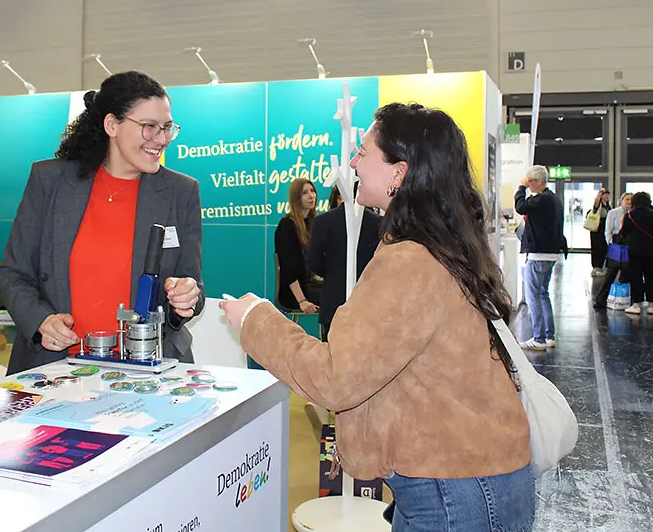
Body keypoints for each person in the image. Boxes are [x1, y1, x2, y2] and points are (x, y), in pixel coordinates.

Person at [222, 103, 534, 532]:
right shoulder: (440, 248)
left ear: (398, 172)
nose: (352, 161)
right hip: (467, 482)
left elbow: (337, 378)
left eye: (364, 152)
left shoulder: (410, 260)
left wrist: (256, 319)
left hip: (454, 493)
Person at [0, 71, 205, 374]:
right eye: (149, 127)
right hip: (57, 368)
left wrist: (187, 296)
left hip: (148, 369)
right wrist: (41, 320)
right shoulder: (50, 182)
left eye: (167, 128)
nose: (160, 140)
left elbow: (192, 285)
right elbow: (13, 274)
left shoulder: (180, 192)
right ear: (111, 125)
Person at [307, 185, 382, 340]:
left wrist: (332, 273)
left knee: (331, 356)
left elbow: (313, 262)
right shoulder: (378, 223)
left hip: (334, 302)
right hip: (369, 303)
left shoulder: (322, 222)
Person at [515, 165, 565, 351]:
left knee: (533, 296)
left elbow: (520, 207)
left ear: (537, 182)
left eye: (529, 182)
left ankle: (539, 338)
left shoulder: (542, 200)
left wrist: (520, 189)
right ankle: (548, 336)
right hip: (551, 253)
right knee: (543, 294)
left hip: (538, 254)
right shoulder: (554, 199)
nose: (528, 186)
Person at [274, 178, 321, 313]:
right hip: (295, 292)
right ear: (296, 198)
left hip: (311, 284)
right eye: (304, 193)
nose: (311, 195)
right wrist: (302, 301)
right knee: (333, 298)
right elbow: (289, 269)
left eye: (312, 191)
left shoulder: (314, 223)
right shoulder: (287, 226)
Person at [619, 192, 653, 315]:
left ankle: (636, 305)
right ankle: (651, 306)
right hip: (651, 250)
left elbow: (623, 232)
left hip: (635, 250)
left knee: (636, 276)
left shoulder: (630, 215)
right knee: (652, 277)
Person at [593, 192, 634, 309]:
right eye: (627, 199)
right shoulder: (613, 213)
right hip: (616, 244)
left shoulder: (633, 214)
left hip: (629, 244)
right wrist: (611, 244)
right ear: (622, 200)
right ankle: (600, 300)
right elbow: (608, 231)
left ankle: (624, 299)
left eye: (631, 200)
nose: (629, 202)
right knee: (610, 274)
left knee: (627, 274)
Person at [588, 188, 611, 277]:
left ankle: (602, 267)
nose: (607, 197)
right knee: (597, 248)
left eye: (608, 195)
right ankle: (596, 267)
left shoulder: (608, 206)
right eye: (605, 195)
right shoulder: (599, 205)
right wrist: (599, 193)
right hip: (597, 229)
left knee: (604, 248)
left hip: (605, 229)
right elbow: (596, 203)